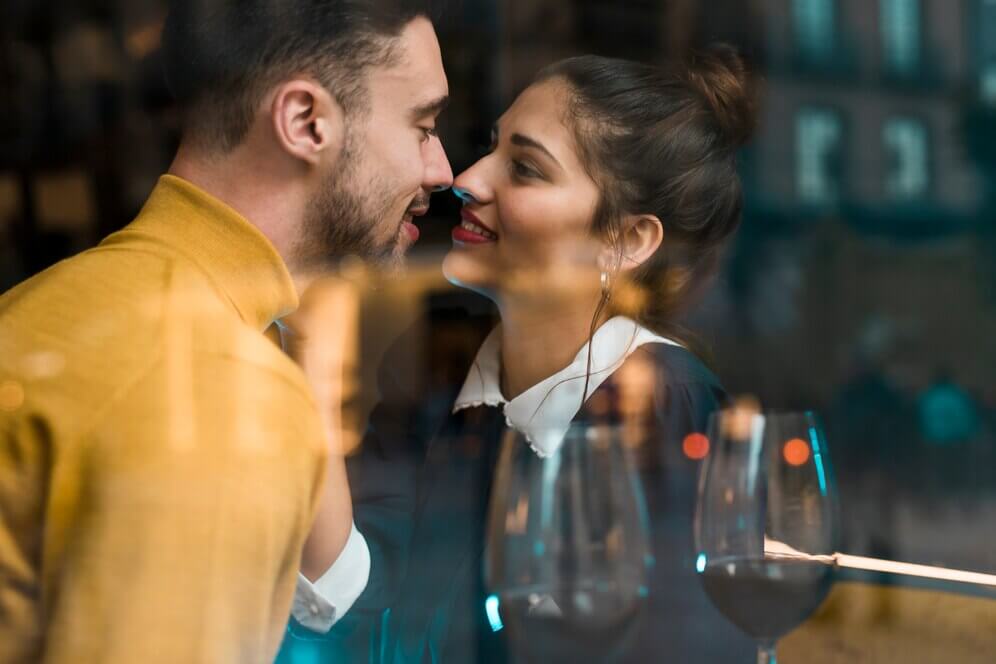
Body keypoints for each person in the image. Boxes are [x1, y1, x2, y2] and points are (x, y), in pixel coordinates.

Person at [0, 1, 452, 662]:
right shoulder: (214, 382)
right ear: (305, 121)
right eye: (423, 125)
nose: (441, 169)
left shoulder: (43, 301)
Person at [291, 47, 760, 662]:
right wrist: (309, 358)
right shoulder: (446, 383)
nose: (467, 179)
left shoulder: (667, 408)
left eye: (526, 168)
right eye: (492, 147)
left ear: (626, 240)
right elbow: (345, 597)